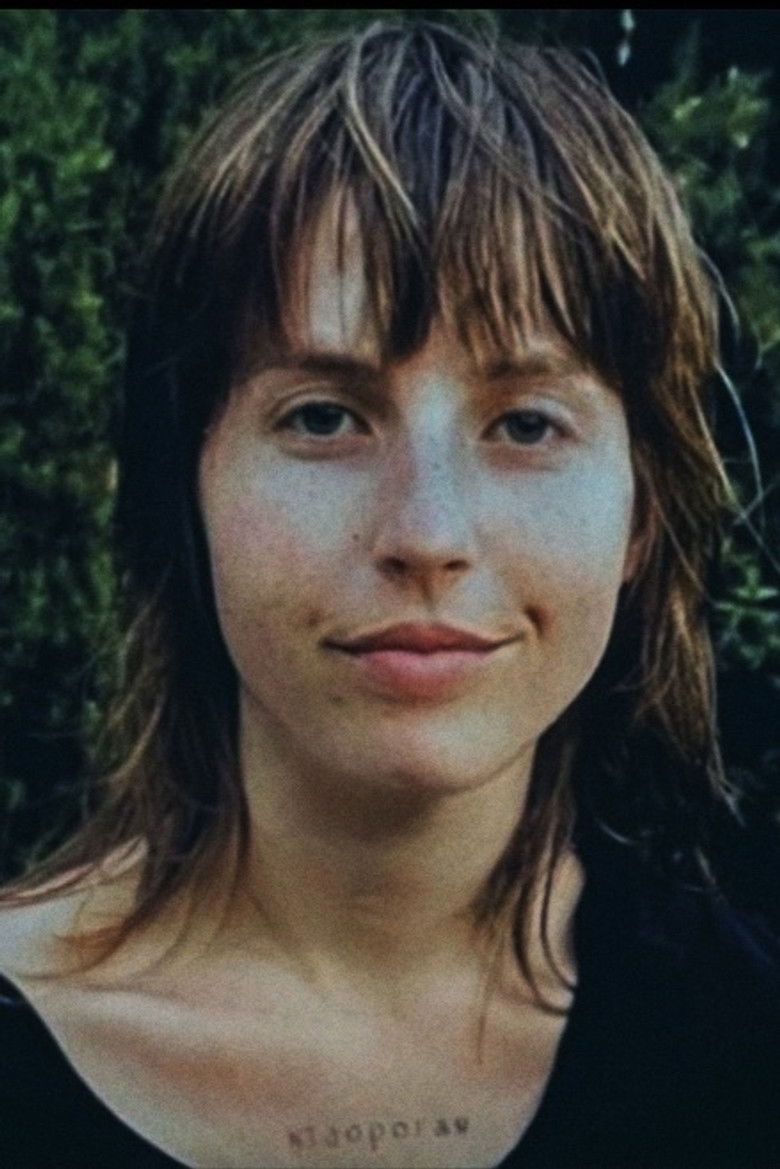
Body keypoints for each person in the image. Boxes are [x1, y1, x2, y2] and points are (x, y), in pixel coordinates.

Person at [0, 18, 778, 1169]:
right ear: (186, 485)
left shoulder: (743, 1059)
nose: (428, 534)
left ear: (640, 515)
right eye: (323, 416)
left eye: (526, 423)